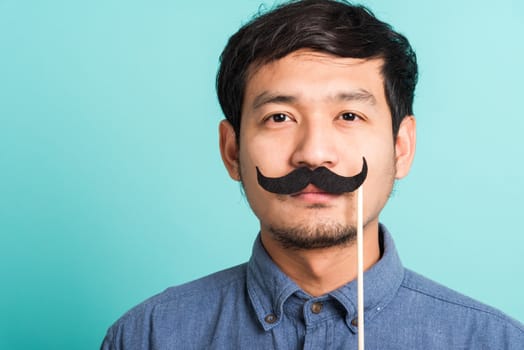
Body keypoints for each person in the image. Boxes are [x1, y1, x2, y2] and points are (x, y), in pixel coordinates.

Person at [101, 0, 524, 348]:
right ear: (232, 151)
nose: (314, 155)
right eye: (280, 117)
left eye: (349, 115)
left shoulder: (492, 341)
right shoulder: (146, 336)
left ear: (402, 147)